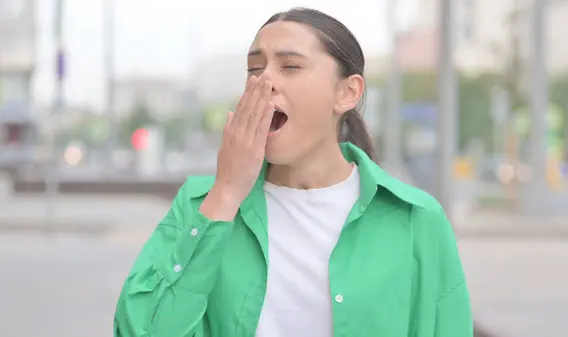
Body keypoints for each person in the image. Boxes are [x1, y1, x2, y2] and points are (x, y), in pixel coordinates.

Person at [114, 7, 473, 337]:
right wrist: (225, 194)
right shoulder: (201, 205)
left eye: (290, 66)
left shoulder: (415, 219)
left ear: (348, 93)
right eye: (255, 68)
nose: (263, 81)